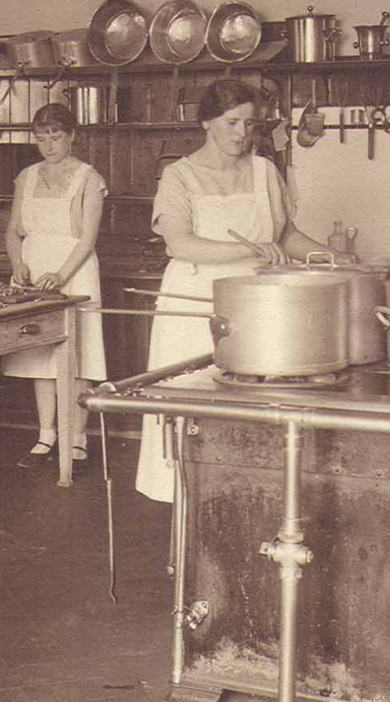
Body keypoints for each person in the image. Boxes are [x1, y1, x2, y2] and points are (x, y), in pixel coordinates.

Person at [135, 79, 339, 503]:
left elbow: (285, 235)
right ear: (207, 122)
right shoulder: (180, 175)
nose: (240, 134)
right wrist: (245, 250)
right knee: (194, 407)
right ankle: (186, 508)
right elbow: (180, 243)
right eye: (231, 123)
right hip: (195, 302)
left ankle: (244, 505)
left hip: (257, 303)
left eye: (249, 124)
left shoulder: (264, 169)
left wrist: (332, 258)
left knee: (253, 401)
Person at [1, 104, 107, 472]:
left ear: (72, 136)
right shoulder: (27, 176)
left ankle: (77, 438)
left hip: (73, 270)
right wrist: (18, 263)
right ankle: (46, 434)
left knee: (77, 356)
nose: (48, 145)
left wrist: (61, 276)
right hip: (32, 271)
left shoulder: (88, 178)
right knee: (39, 356)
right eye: (41, 137)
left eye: (56, 137)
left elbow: (87, 239)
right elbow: (13, 230)